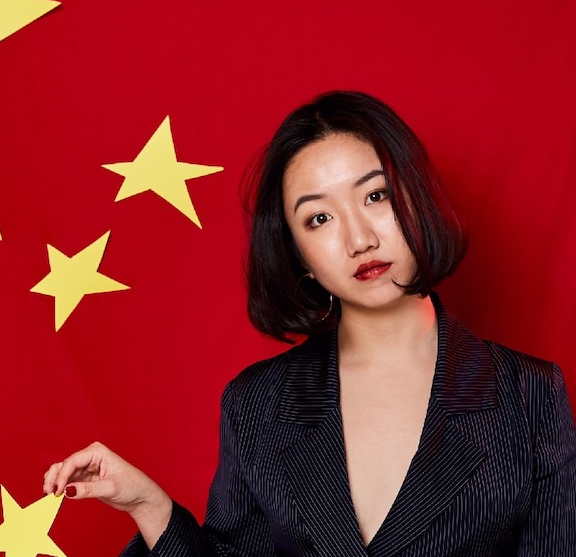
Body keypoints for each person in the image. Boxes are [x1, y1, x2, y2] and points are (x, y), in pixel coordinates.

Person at [42, 91, 576, 556]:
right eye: (319, 218)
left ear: (415, 195)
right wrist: (151, 507)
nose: (358, 238)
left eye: (375, 195)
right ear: (298, 254)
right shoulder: (257, 404)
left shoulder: (530, 395)